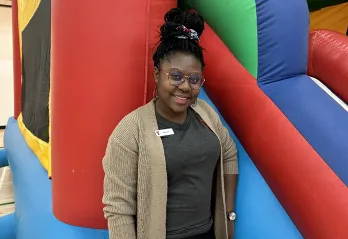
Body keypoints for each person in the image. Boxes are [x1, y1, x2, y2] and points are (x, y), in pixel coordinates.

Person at [102, 8, 238, 239]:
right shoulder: (130, 131)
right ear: (157, 74)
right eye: (175, 76)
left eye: (194, 79)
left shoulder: (205, 113)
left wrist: (228, 212)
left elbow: (228, 152)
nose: (185, 86)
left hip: (208, 233)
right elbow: (118, 208)